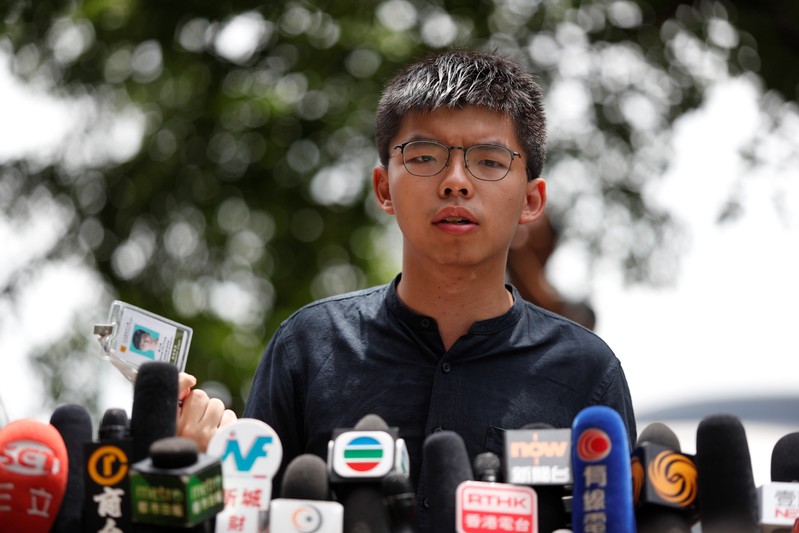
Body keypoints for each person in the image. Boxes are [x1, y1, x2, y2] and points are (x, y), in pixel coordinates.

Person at [178, 48, 636, 525]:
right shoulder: (308, 349)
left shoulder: (587, 374)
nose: (455, 182)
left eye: (489, 161)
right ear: (383, 188)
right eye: (424, 157)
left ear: (531, 199)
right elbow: (248, 516)